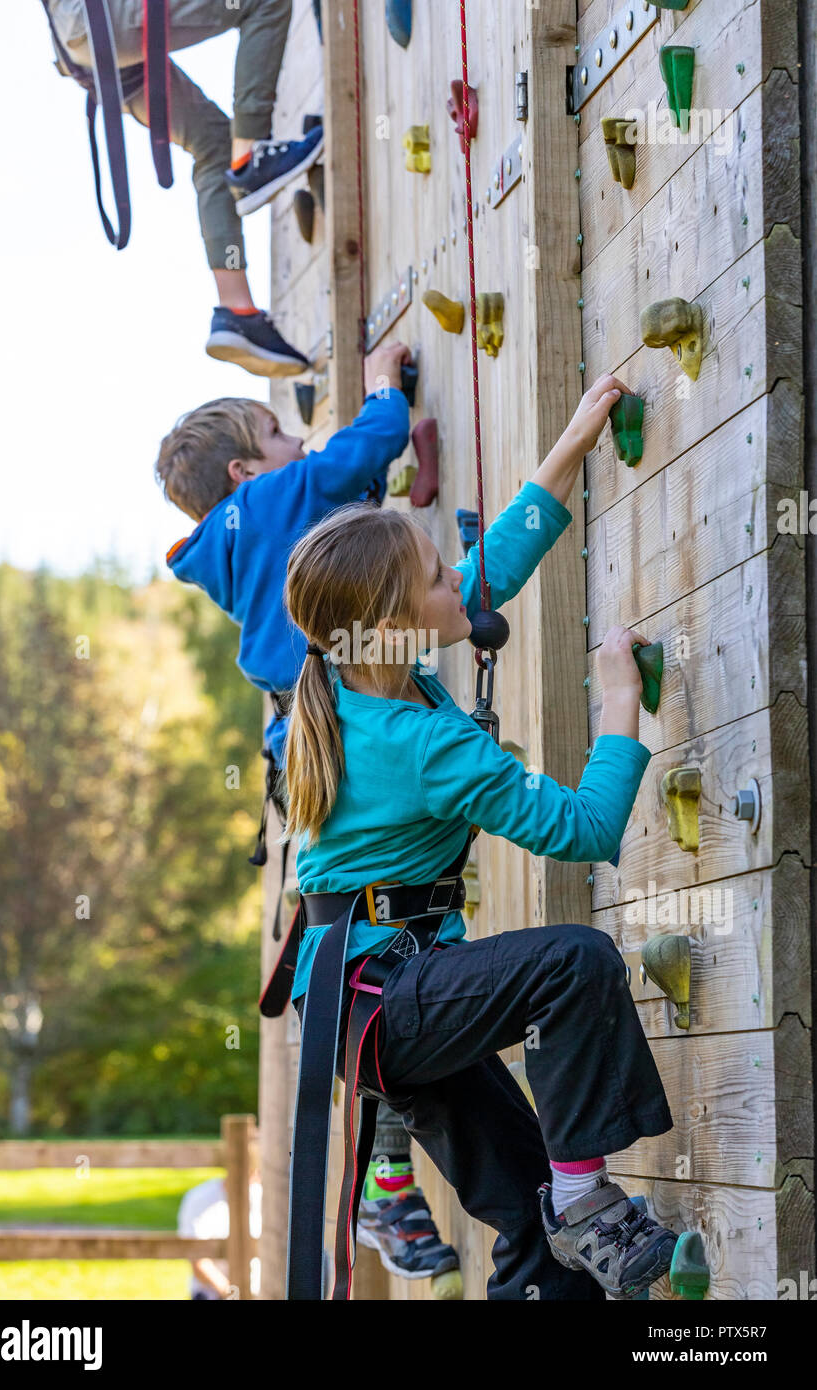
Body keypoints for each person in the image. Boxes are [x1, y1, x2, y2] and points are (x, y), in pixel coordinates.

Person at [282, 373, 679, 1300]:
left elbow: (484, 570)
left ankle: (562, 1215)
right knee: (573, 963)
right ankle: (585, 1202)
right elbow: (582, 831)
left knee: (536, 1236)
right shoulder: (422, 741)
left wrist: (572, 443)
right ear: (393, 624)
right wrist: (620, 706)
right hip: (386, 999)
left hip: (365, 1006)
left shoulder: (362, 671)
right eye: (434, 577)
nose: (455, 578)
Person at [156, 342, 460, 1281]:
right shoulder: (268, 502)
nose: (299, 440)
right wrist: (384, 396)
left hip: (310, 754)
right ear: (246, 472)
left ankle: (390, 1177)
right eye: (280, 432)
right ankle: (385, 1183)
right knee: (403, 942)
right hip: (352, 742)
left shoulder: (230, 548)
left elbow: (333, 494)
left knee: (375, 953)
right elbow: (347, 462)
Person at [41, 0, 319, 375]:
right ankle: (251, 155)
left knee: (216, 146)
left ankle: (236, 308)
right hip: (104, 20)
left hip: (89, 48)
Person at [177, 1176, 232, 1300]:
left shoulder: (273, 1196)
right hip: (212, 1294)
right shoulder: (200, 1198)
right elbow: (199, 1263)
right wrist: (233, 1293)